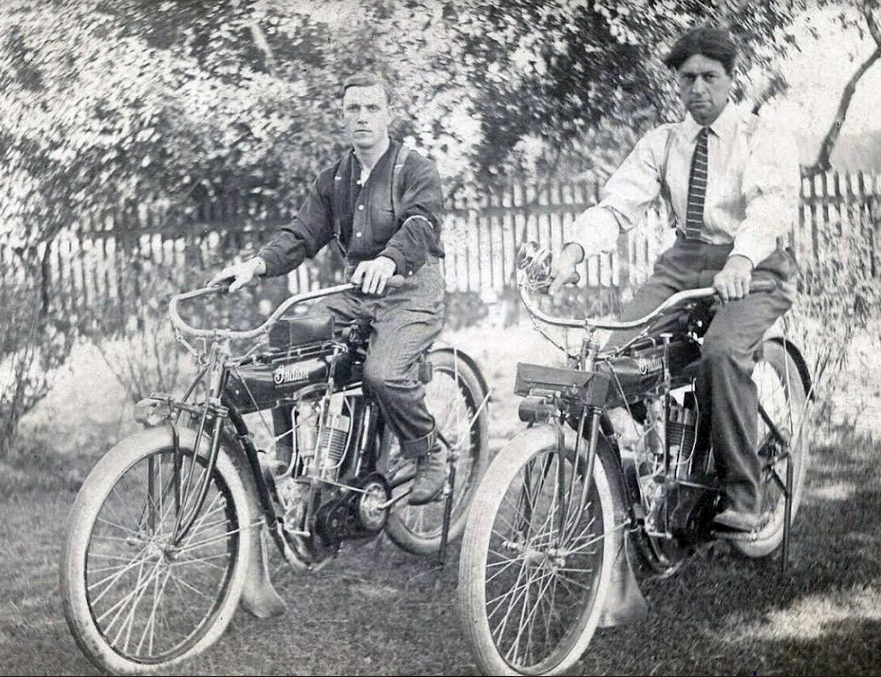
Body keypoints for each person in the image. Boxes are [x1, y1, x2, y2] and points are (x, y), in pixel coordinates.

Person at [549, 26, 800, 532]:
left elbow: (771, 207)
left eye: (710, 77)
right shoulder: (663, 142)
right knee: (612, 358)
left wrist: (742, 259)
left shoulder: (760, 136)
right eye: (687, 79)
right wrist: (574, 249)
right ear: (676, 84)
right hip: (684, 261)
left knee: (722, 353)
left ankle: (745, 496)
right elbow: (618, 205)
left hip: (755, 264)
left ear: (732, 79)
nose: (698, 90)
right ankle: (649, 467)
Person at [211, 71, 447, 505]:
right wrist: (256, 265)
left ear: (389, 115)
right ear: (342, 118)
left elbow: (420, 225)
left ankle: (427, 451)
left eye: (372, 108)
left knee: (383, 374)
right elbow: (302, 233)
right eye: (352, 109)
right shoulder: (335, 179)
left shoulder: (415, 168)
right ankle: (288, 452)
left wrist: (388, 260)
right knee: (284, 344)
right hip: (359, 294)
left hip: (411, 292)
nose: (362, 117)